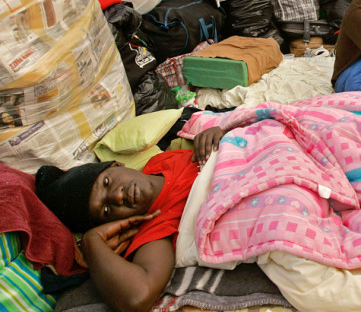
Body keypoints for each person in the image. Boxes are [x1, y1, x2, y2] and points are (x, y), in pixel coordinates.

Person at [35, 127, 224, 312]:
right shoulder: (154, 228)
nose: (117, 196)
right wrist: (91, 242)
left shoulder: (161, 160)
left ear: (116, 164)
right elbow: (137, 297)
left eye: (107, 183)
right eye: (107, 210)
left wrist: (218, 133)